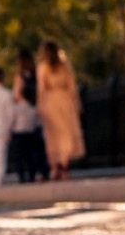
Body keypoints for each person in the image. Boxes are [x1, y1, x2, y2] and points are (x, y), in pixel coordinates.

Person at [37, 40, 85, 180]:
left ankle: (56, 166)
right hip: (64, 102)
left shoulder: (43, 68)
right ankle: (63, 165)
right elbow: (72, 89)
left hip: (51, 102)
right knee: (65, 134)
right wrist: (76, 104)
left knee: (54, 136)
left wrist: (41, 106)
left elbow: (41, 90)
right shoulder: (64, 67)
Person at [11, 51, 46, 183]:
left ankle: (24, 174)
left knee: (22, 150)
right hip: (36, 110)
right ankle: (38, 171)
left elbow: (17, 94)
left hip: (23, 112)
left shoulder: (20, 76)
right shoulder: (37, 74)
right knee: (36, 146)